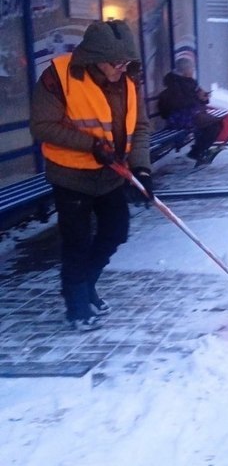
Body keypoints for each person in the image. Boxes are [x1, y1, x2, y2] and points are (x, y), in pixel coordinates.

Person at [29, 20, 153, 332]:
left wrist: (142, 168)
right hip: (71, 177)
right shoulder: (58, 77)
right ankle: (77, 305)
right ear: (94, 57)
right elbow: (42, 125)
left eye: (127, 62)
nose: (122, 69)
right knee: (77, 242)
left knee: (116, 231)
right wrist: (91, 145)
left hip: (111, 174)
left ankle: (86, 284)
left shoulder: (128, 81)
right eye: (116, 62)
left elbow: (139, 127)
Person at [158, 57, 222, 165]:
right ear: (185, 70)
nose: (193, 70)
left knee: (214, 123)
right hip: (180, 117)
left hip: (190, 114)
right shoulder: (176, 83)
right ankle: (197, 152)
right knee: (215, 124)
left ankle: (199, 151)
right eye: (191, 68)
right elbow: (182, 103)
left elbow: (194, 98)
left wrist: (203, 98)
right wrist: (198, 99)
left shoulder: (188, 81)